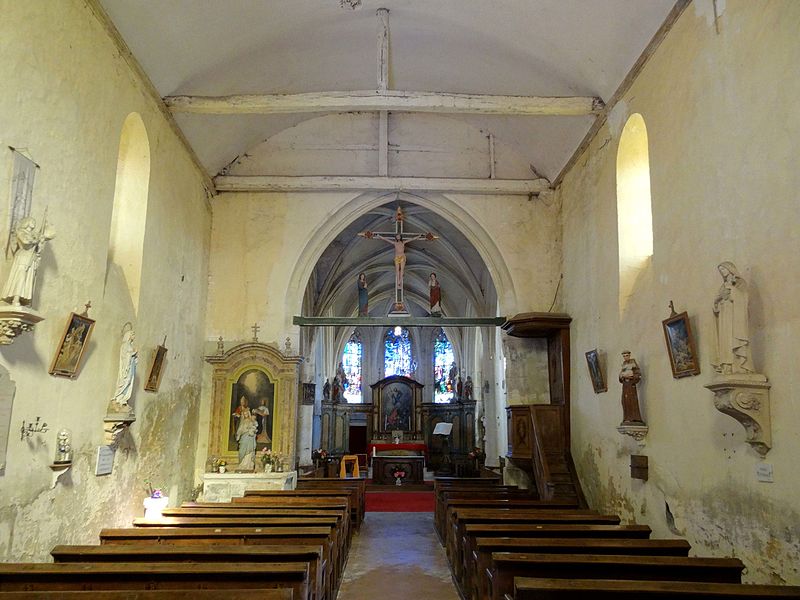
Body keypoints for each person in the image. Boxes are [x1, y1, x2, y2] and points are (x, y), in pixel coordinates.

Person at [2, 214, 55, 306]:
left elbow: (38, 250)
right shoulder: (21, 232)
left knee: (28, 279)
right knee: (20, 277)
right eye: (31, 220)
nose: (33, 222)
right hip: (23, 256)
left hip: (32, 258)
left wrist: (41, 242)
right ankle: (16, 298)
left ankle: (24, 299)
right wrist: (37, 239)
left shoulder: (34, 235)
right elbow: (26, 242)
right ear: (26, 222)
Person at [712, 261, 754, 374]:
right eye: (720, 271)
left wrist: (731, 289)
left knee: (735, 340)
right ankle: (727, 366)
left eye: (724, 269)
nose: (722, 272)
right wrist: (716, 302)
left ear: (730, 269)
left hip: (735, 318)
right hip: (724, 317)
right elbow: (715, 305)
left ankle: (739, 366)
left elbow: (743, 299)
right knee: (726, 341)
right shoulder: (722, 286)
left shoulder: (740, 283)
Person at [109, 327, 138, 412]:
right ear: (129, 336)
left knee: (129, 382)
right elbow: (125, 357)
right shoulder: (125, 345)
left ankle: (123, 400)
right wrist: (133, 353)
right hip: (125, 368)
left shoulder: (130, 345)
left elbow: (134, 358)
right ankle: (118, 398)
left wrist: (135, 355)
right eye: (133, 335)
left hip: (131, 368)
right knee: (124, 381)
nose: (134, 336)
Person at [619, 351, 644, 424]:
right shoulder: (623, 365)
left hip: (631, 386)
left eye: (627, 356)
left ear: (629, 356)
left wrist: (631, 377)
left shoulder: (633, 365)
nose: (625, 357)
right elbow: (620, 377)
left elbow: (638, 375)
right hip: (625, 386)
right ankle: (627, 418)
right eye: (624, 356)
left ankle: (635, 418)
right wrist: (622, 377)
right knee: (625, 401)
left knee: (632, 401)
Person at [234, 396, 257, 471]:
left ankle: (248, 465)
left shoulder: (251, 421)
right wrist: (238, 436)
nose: (246, 414)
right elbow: (240, 430)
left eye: (247, 413)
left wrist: (252, 431)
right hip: (243, 439)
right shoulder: (242, 422)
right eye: (244, 413)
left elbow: (255, 428)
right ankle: (242, 465)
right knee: (241, 452)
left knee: (249, 452)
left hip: (249, 439)